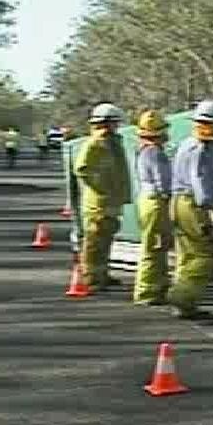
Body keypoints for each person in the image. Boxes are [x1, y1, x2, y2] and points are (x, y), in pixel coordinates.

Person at [167, 99, 213, 320]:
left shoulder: (186, 143)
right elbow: (199, 180)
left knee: (187, 254)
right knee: (208, 252)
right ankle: (181, 297)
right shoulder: (200, 149)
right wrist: (211, 211)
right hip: (191, 205)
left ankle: (185, 305)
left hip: (178, 201)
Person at [73, 102, 132, 292]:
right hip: (98, 203)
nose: (116, 126)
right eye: (114, 122)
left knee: (106, 240)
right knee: (94, 242)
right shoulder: (94, 143)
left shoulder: (113, 143)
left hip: (112, 200)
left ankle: (102, 274)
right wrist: (101, 187)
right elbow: (81, 169)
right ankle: (90, 278)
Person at [132, 110, 172, 306]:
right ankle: (147, 291)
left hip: (147, 200)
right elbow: (162, 181)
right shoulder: (154, 153)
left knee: (157, 246)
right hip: (155, 202)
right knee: (153, 247)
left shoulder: (142, 151)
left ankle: (158, 287)